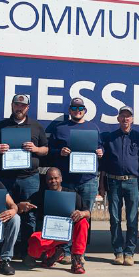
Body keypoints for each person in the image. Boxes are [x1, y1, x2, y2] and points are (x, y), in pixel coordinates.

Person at [0, 94, 48, 260]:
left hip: (29, 178)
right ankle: (1, 252)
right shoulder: (2, 126)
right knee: (3, 213)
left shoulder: (36, 127)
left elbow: (46, 149)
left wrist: (35, 149)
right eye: (17, 104)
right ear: (12, 105)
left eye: (23, 105)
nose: (19, 108)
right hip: (5, 178)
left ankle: (27, 252)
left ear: (27, 108)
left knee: (29, 216)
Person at [48, 97, 103, 263]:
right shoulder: (60, 128)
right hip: (67, 181)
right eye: (73, 108)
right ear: (69, 110)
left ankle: (80, 252)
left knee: (84, 216)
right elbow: (50, 150)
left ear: (85, 110)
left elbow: (101, 147)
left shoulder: (93, 128)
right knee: (66, 215)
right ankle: (64, 250)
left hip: (88, 179)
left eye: (80, 108)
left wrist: (101, 152)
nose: (77, 111)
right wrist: (60, 152)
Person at [99, 106, 139, 266]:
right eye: (123, 116)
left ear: (132, 119)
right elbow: (104, 164)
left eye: (128, 116)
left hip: (132, 182)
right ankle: (118, 252)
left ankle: (129, 253)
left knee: (133, 219)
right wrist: (101, 184)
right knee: (114, 219)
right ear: (118, 118)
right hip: (113, 181)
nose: (125, 119)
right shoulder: (110, 138)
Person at [19, 167, 90, 274]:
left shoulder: (72, 194)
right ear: (46, 180)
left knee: (83, 222)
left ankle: (76, 259)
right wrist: (21, 205)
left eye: (56, 178)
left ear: (61, 178)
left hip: (68, 233)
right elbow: (23, 207)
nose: (53, 181)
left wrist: (82, 213)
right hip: (49, 234)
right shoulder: (40, 195)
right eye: (50, 179)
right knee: (34, 240)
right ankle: (54, 254)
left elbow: (88, 213)